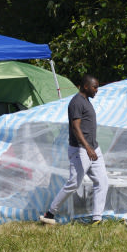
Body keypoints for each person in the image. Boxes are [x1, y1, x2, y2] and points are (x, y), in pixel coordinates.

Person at [39, 74, 108, 225]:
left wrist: (92, 147)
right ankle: (50, 214)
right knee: (73, 184)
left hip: (93, 148)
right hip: (81, 150)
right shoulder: (76, 102)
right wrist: (87, 148)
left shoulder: (86, 101)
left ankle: (97, 218)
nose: (97, 90)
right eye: (94, 87)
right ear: (85, 86)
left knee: (102, 181)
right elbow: (75, 128)